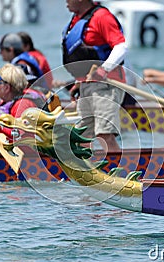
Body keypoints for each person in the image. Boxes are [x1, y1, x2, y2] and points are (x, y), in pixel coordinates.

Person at [62, 0, 128, 152]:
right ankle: (84, 172)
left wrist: (104, 69)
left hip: (106, 85)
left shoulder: (102, 17)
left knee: (104, 135)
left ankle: (121, 172)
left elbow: (121, 46)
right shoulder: (77, 19)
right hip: (87, 84)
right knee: (81, 137)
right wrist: (78, 84)